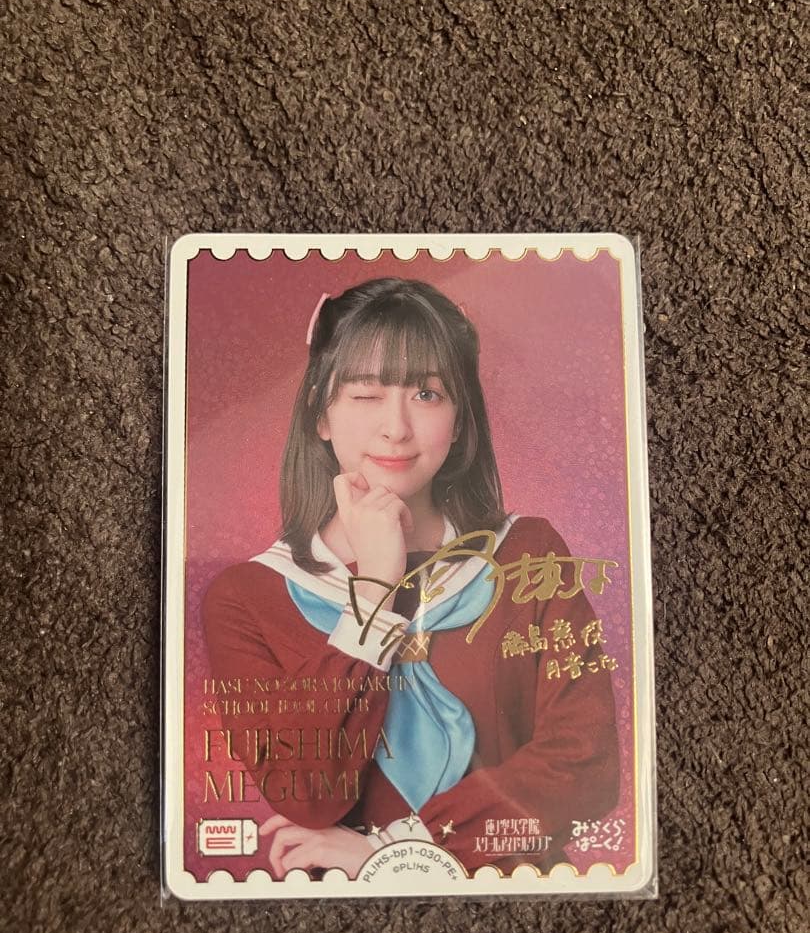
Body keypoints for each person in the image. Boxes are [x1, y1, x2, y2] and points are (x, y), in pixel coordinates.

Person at [202, 277, 619, 880]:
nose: (395, 428)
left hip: (514, 900)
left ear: (459, 418)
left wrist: (399, 849)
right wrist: (375, 585)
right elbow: (308, 795)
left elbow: (585, 764)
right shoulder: (249, 597)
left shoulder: (526, 556)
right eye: (365, 394)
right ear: (321, 414)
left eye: (426, 394)